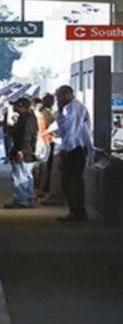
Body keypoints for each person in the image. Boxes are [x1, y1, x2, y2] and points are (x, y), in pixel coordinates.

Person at [55, 85, 93, 222]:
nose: (57, 99)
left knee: (72, 182)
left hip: (74, 149)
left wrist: (64, 150)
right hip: (74, 148)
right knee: (71, 181)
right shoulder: (70, 108)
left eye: (58, 96)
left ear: (67, 94)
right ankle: (75, 211)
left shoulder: (74, 108)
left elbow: (70, 131)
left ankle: (77, 212)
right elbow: (64, 129)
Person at [4, 97, 39, 209]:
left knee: (20, 176)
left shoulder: (25, 119)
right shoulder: (31, 117)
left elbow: (25, 136)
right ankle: (29, 198)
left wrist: (20, 151)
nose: (13, 107)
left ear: (21, 106)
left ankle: (21, 200)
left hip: (23, 150)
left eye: (15, 105)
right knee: (27, 175)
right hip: (28, 150)